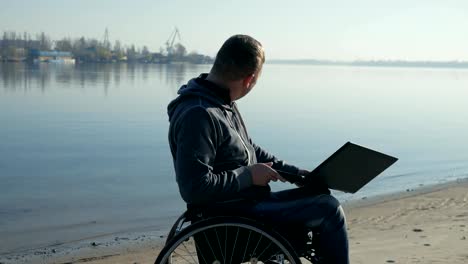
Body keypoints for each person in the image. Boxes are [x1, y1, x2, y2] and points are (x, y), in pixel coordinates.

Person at [167, 34, 349, 263]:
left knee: (318, 193)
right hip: (233, 218)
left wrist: (294, 173)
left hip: (247, 205)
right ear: (249, 79)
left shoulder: (220, 102)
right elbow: (195, 187)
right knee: (328, 208)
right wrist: (249, 175)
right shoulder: (199, 114)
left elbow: (248, 149)